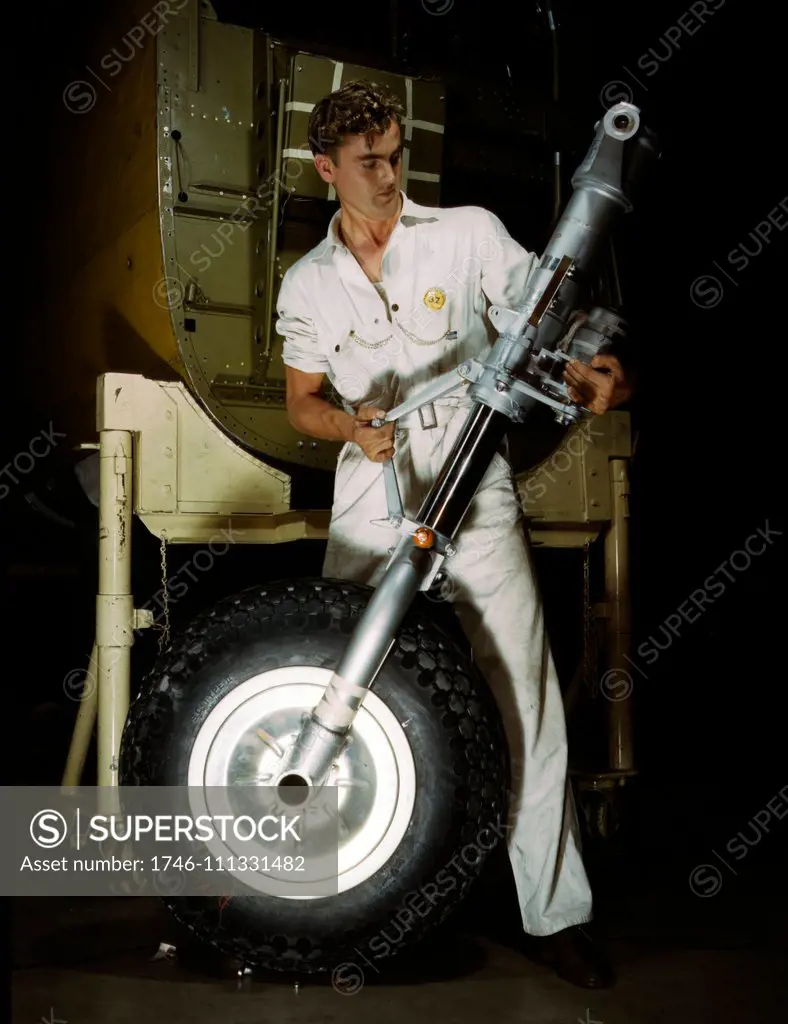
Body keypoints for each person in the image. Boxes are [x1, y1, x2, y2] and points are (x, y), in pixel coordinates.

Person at [275, 80, 633, 989]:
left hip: (475, 490)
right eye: (368, 162)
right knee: (339, 690)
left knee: (522, 698)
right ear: (327, 170)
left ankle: (553, 915)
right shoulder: (309, 281)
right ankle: (321, 897)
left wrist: (598, 366)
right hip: (371, 496)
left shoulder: (468, 231)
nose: (388, 174)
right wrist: (352, 429)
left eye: (395, 154)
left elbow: (546, 312)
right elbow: (301, 405)